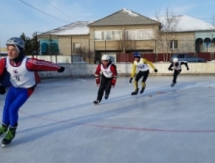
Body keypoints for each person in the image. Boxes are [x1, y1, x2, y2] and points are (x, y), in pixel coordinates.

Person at [0, 37, 65, 146]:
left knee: (12, 109)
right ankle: (4, 126)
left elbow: (43, 64)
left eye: (13, 49)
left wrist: (58, 67)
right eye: (8, 49)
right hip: (14, 87)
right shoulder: (4, 61)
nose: (10, 52)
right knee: (6, 107)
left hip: (26, 89)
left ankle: (11, 131)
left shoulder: (29, 63)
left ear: (20, 50)